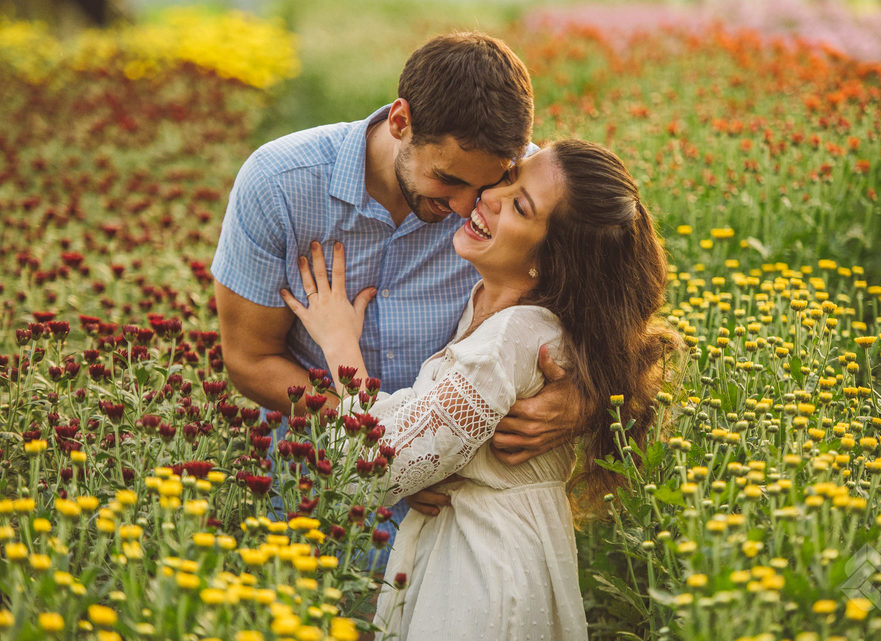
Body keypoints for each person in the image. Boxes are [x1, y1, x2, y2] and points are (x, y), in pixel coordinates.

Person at [280, 140, 681, 640]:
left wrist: (339, 342)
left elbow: (374, 468)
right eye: (509, 177)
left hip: (481, 574)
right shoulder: (490, 307)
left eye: (520, 206)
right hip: (486, 548)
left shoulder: (510, 341)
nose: (489, 198)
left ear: (552, 261)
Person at [210, 32, 582, 554]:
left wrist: (584, 400)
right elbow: (249, 359)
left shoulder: (521, 190)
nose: (464, 208)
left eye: (484, 186)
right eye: (447, 179)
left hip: (457, 517)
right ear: (400, 121)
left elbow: (613, 303)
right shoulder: (278, 184)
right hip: (319, 494)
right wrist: (401, 447)